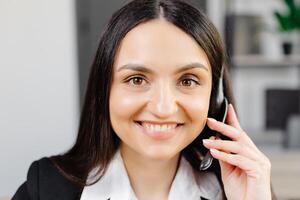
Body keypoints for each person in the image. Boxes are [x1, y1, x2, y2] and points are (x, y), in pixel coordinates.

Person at [13, 0, 276, 199]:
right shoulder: (45, 188)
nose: (162, 108)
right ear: (104, 89)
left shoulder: (241, 190)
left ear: (215, 98)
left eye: (187, 81)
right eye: (137, 79)